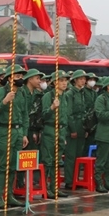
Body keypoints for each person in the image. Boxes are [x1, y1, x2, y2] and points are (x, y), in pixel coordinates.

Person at [0, 67, 37, 208]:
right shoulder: (2, 91)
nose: (20, 78)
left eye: (21, 76)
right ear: (10, 78)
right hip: (4, 130)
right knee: (3, 165)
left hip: (18, 131)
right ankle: (0, 195)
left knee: (13, 165)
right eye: (17, 76)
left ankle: (9, 194)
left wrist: (24, 133)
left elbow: (25, 114)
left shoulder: (22, 92)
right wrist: (5, 101)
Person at [39, 70, 70, 199]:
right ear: (54, 82)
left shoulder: (65, 96)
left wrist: (64, 134)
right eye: (61, 80)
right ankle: (46, 188)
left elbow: (66, 116)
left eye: (65, 80)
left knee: (57, 161)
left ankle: (54, 187)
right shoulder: (49, 96)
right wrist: (52, 108)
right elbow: (43, 115)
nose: (64, 83)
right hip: (50, 130)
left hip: (61, 131)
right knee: (48, 161)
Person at [62, 69, 88, 189]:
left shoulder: (82, 93)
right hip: (73, 127)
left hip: (81, 126)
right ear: (75, 80)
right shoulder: (70, 94)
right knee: (71, 156)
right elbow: (69, 113)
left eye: (84, 79)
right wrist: (72, 129)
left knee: (79, 155)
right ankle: (69, 180)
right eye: (81, 79)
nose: (83, 81)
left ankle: (76, 179)